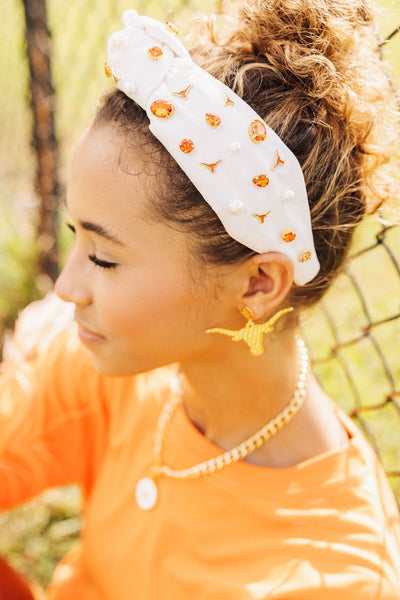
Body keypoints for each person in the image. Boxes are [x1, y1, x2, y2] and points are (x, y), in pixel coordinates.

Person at [1, 0, 400, 598]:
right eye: (73, 237)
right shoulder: (112, 363)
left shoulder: (329, 573)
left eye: (105, 259)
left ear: (258, 284)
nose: (66, 288)